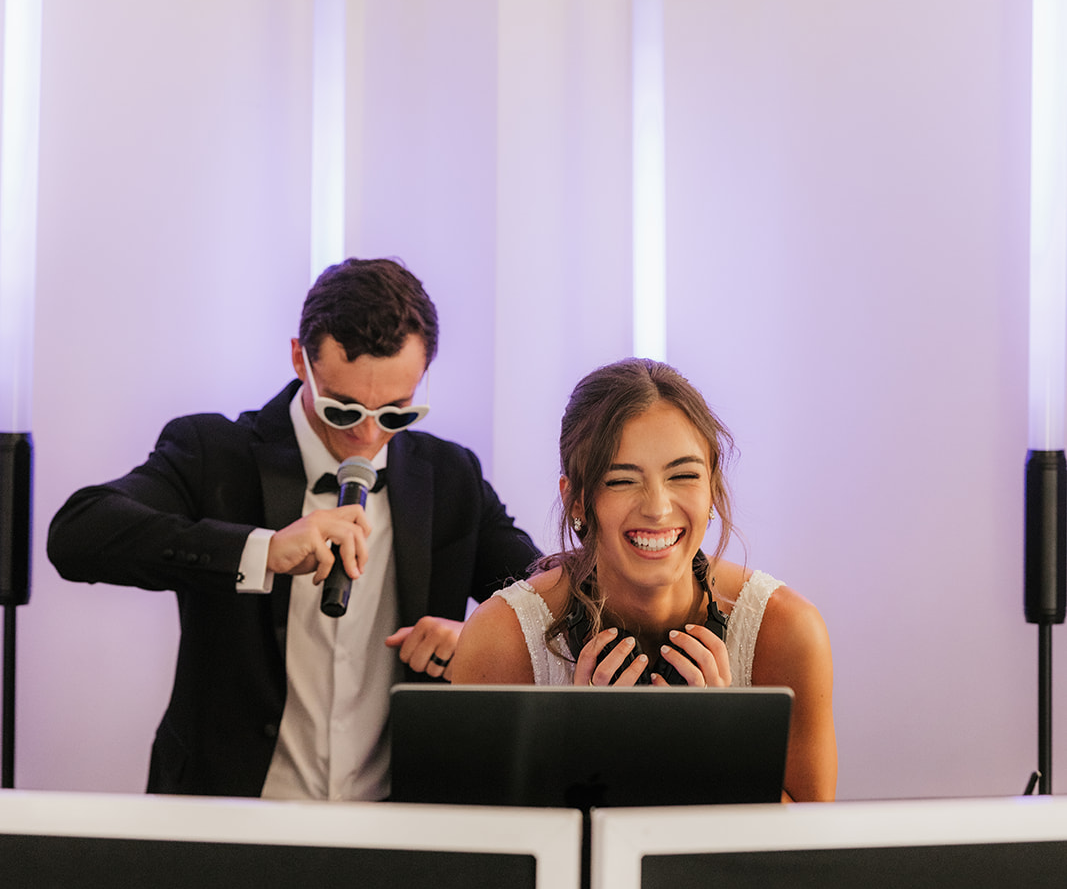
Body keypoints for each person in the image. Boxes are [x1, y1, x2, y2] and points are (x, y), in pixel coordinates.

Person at [48, 258, 539, 801]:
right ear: (299, 360)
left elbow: (552, 598)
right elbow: (78, 533)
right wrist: (261, 551)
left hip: (398, 820)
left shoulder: (451, 477)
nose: (368, 436)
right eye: (343, 410)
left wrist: (482, 642)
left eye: (395, 413)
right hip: (231, 813)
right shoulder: (213, 453)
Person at [451, 357, 836, 801]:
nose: (657, 508)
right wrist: (580, 755)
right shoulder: (502, 639)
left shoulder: (786, 630)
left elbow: (808, 837)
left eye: (684, 475)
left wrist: (718, 752)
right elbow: (483, 842)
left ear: (712, 487)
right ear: (575, 500)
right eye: (621, 480)